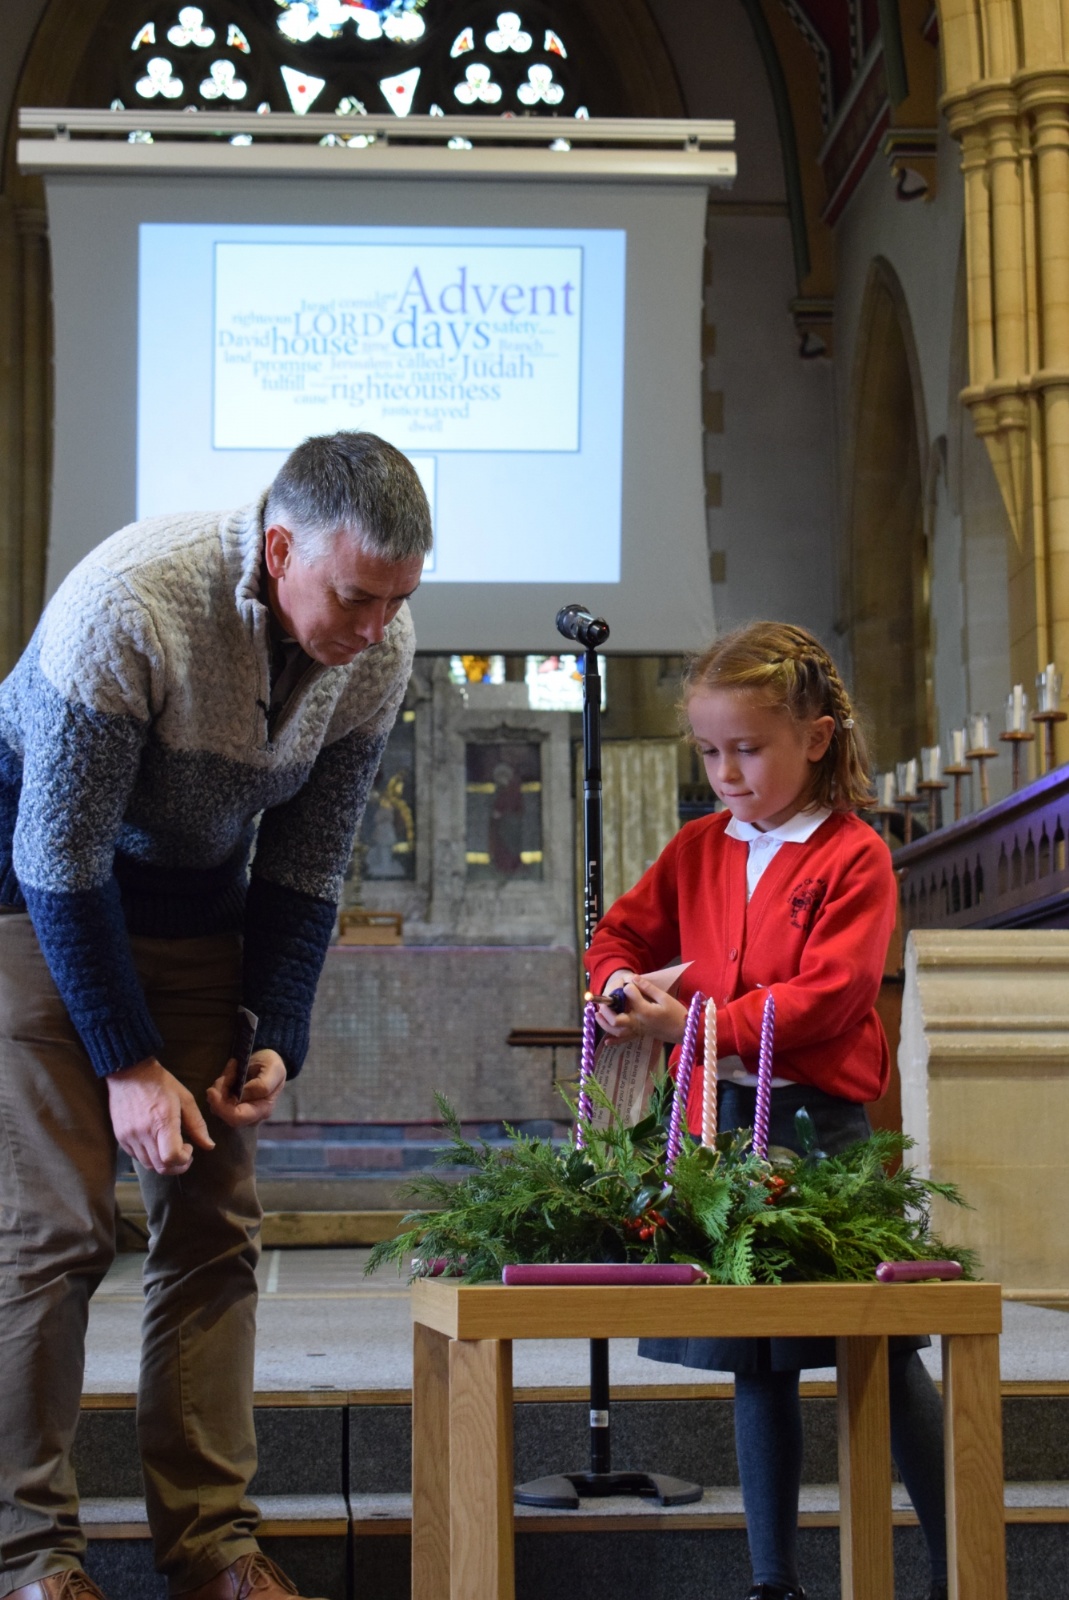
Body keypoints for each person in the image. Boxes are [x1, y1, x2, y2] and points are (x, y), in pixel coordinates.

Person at [0, 432, 431, 1600]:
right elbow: (60, 855)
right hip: (33, 899)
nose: (376, 627)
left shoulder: (377, 648)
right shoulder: (132, 601)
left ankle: (212, 1550)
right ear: (280, 550)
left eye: (398, 599)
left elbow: (305, 863)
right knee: (55, 1227)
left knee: (212, 1220)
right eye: (355, 597)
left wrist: (271, 1029)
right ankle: (31, 1561)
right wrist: (127, 1062)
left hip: (196, 905)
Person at [586, 622, 948, 1600]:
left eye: (747, 749)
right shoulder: (699, 846)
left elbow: (829, 994)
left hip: (818, 1129)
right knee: (759, 1353)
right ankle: (771, 1580)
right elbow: (620, 933)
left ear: (817, 738)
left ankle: (956, 1568)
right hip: (718, 1132)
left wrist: (698, 1024)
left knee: (882, 1344)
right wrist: (617, 985)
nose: (725, 774)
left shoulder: (854, 854)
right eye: (709, 752)